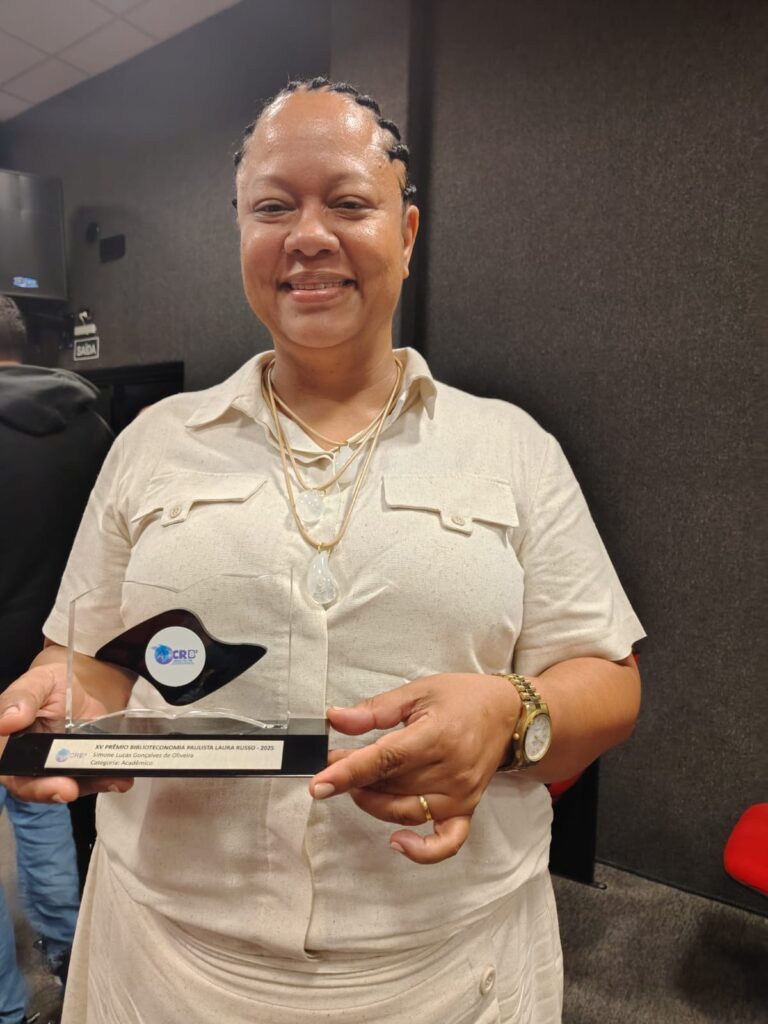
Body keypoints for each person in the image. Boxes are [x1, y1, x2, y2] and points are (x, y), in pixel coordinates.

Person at [0, 78, 644, 1024]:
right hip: (168, 964)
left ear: (408, 234)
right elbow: (87, 660)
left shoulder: (512, 448)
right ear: (240, 233)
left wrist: (513, 714)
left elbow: (611, 683)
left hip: (445, 972)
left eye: (347, 203)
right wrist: (57, 705)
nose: (307, 236)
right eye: (272, 207)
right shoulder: (151, 444)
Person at [0, 295, 112, 1024]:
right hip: (60, 672)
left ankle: (7, 1007)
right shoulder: (96, 426)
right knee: (46, 811)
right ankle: (77, 963)